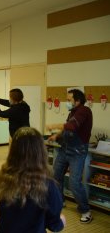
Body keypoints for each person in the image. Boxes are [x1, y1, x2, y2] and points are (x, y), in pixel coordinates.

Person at [0, 127, 66, 233]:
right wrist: (62, 220)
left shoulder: (4, 178)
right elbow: (54, 225)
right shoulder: (47, 185)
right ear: (40, 151)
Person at [47, 89, 93, 223]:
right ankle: (60, 201)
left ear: (77, 101)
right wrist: (56, 135)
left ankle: (85, 210)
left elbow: (72, 126)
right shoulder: (72, 111)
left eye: (68, 100)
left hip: (77, 152)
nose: (66, 102)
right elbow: (66, 129)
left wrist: (53, 125)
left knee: (74, 183)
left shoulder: (84, 111)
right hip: (64, 149)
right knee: (56, 176)